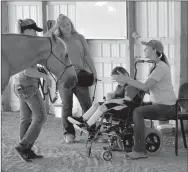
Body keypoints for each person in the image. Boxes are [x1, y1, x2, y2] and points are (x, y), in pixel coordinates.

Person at [116, 40, 177, 159]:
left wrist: (128, 80)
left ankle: (139, 150)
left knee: (138, 112)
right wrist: (131, 84)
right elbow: (148, 89)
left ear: (154, 50)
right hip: (159, 104)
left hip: (168, 107)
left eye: (147, 48)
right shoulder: (154, 66)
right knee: (132, 107)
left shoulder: (160, 67)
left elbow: (145, 87)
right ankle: (125, 141)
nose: (144, 50)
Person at [45, 14, 97, 143]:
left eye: (68, 24)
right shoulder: (57, 39)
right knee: (67, 106)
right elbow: (44, 38)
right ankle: (69, 133)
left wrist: (94, 72)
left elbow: (87, 56)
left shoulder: (79, 37)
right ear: (59, 27)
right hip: (64, 77)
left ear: (71, 24)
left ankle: (92, 131)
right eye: (63, 25)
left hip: (80, 75)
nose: (66, 27)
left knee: (87, 105)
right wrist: (56, 26)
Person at [14, 19, 52, 162]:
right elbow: (28, 70)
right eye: (34, 30)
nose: (36, 33)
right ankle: (23, 146)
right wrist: (45, 76)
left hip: (19, 84)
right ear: (28, 31)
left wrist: (54, 28)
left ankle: (25, 150)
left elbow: (43, 38)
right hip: (28, 85)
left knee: (25, 119)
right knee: (41, 117)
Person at [68, 66, 139, 132]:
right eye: (115, 80)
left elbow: (126, 100)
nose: (118, 82)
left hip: (127, 108)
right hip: (117, 105)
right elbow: (114, 93)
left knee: (103, 107)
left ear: (126, 75)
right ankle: (82, 119)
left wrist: (110, 100)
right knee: (96, 104)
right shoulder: (120, 85)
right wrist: (109, 95)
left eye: (118, 79)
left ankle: (87, 126)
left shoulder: (130, 86)